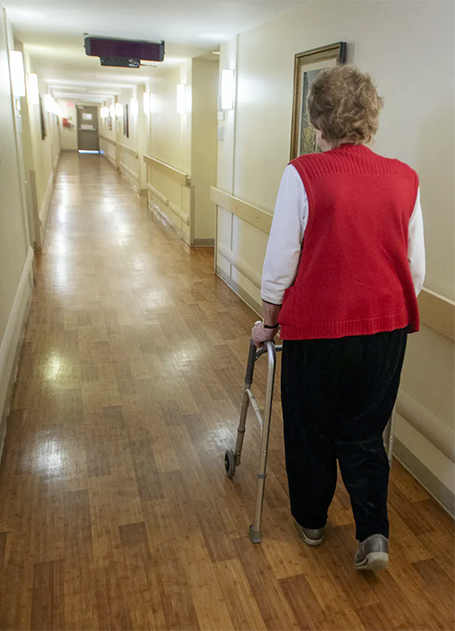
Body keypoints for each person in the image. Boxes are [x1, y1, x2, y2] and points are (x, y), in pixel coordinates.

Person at [252, 64, 425, 571]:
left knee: (310, 428)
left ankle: (311, 520)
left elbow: (282, 259)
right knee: (366, 429)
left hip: (320, 331)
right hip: (387, 329)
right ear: (371, 117)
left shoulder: (304, 173)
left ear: (318, 122)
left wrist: (269, 319)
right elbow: (414, 270)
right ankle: (373, 532)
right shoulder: (405, 178)